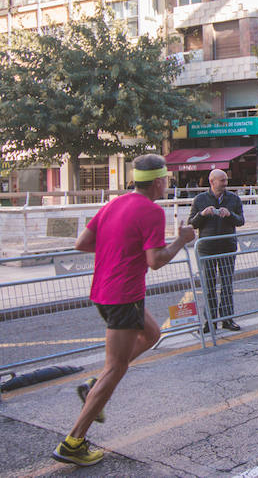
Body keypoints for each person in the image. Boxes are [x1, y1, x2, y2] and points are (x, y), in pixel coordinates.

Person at [55, 155, 195, 466]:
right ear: (158, 181)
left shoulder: (113, 204)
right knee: (116, 368)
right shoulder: (152, 211)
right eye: (166, 180)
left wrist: (119, 246)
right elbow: (156, 261)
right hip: (123, 296)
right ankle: (73, 442)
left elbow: (82, 243)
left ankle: (94, 386)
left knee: (153, 333)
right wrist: (181, 240)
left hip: (103, 291)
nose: (167, 185)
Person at [189, 169, 245, 332]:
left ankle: (227, 319)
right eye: (222, 180)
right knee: (209, 285)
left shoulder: (233, 199)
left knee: (227, 284)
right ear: (212, 181)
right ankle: (211, 321)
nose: (225, 183)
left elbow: (241, 220)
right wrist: (203, 214)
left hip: (227, 246)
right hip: (207, 249)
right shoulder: (200, 199)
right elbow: (192, 222)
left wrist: (230, 215)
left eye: (226, 180)